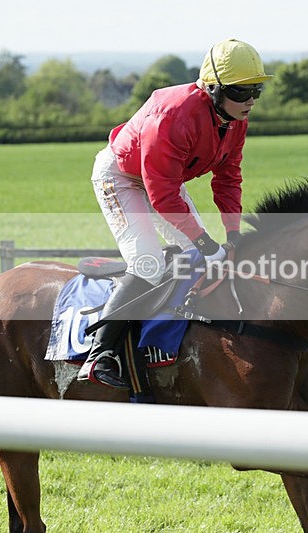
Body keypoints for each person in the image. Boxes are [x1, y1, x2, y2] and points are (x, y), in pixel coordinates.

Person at [77, 38, 271, 389]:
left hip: (163, 178)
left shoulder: (235, 120)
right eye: (242, 93)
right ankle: (99, 353)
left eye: (256, 89)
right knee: (147, 262)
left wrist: (232, 235)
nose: (252, 100)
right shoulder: (173, 115)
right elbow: (162, 193)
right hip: (121, 177)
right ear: (213, 90)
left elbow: (228, 179)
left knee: (198, 256)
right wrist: (205, 240)